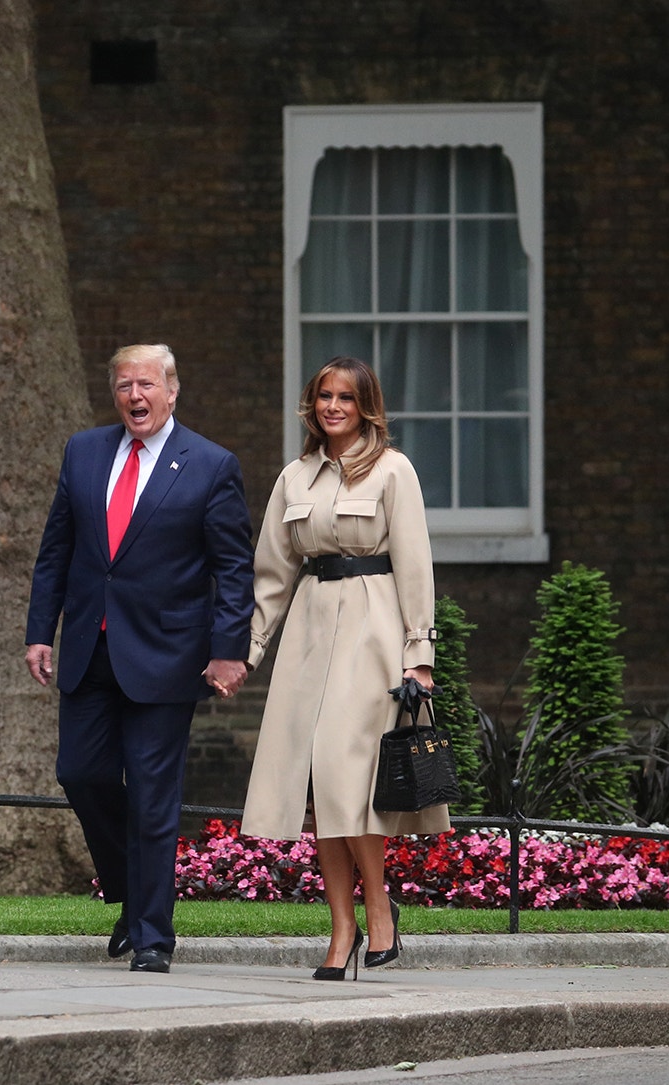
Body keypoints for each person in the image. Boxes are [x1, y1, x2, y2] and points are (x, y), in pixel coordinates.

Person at [24, 343, 254, 974]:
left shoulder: (210, 465)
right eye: (125, 385)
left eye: (147, 384)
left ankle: (152, 934)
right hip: (89, 650)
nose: (135, 396)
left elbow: (234, 570)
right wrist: (40, 630)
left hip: (167, 656)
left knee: (154, 797)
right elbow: (57, 551)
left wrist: (229, 649)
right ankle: (133, 890)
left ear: (172, 391)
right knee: (80, 772)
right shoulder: (84, 451)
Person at [240, 355, 449, 981]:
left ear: (366, 407)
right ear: (313, 405)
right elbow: (273, 575)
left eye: (347, 399)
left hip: (374, 629)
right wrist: (247, 651)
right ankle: (342, 928)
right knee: (318, 786)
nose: (334, 407)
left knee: (343, 773)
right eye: (325, 396)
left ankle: (378, 910)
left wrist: (421, 657)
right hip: (309, 631)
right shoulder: (294, 477)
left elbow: (415, 565)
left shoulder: (393, 469)